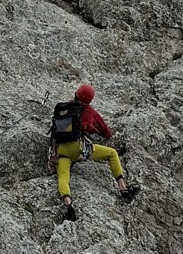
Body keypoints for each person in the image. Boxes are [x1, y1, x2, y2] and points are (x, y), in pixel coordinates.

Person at [48, 84, 137, 219]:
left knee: (63, 176)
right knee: (112, 153)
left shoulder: (65, 108)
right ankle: (123, 188)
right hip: (79, 147)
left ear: (76, 94)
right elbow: (107, 132)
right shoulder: (89, 111)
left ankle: (68, 203)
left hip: (61, 150)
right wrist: (95, 130)